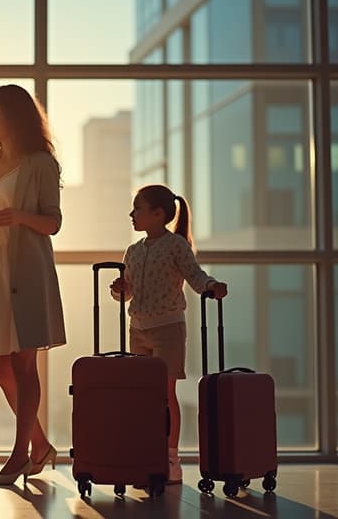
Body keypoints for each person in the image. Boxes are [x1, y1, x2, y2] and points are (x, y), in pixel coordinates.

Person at [0, 84, 66, 485]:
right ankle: (40, 445)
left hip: (26, 272)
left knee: (25, 365)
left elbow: (53, 222)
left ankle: (20, 456)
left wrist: (19, 217)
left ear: (16, 117)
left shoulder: (42, 164)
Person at [109, 184, 228, 485]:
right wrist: (119, 290)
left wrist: (212, 286)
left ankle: (170, 458)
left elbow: (195, 275)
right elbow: (128, 290)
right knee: (144, 396)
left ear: (158, 214)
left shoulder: (176, 245)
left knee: (164, 394)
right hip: (138, 330)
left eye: (137, 208)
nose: (131, 214)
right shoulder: (133, 251)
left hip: (168, 330)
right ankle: (148, 453)